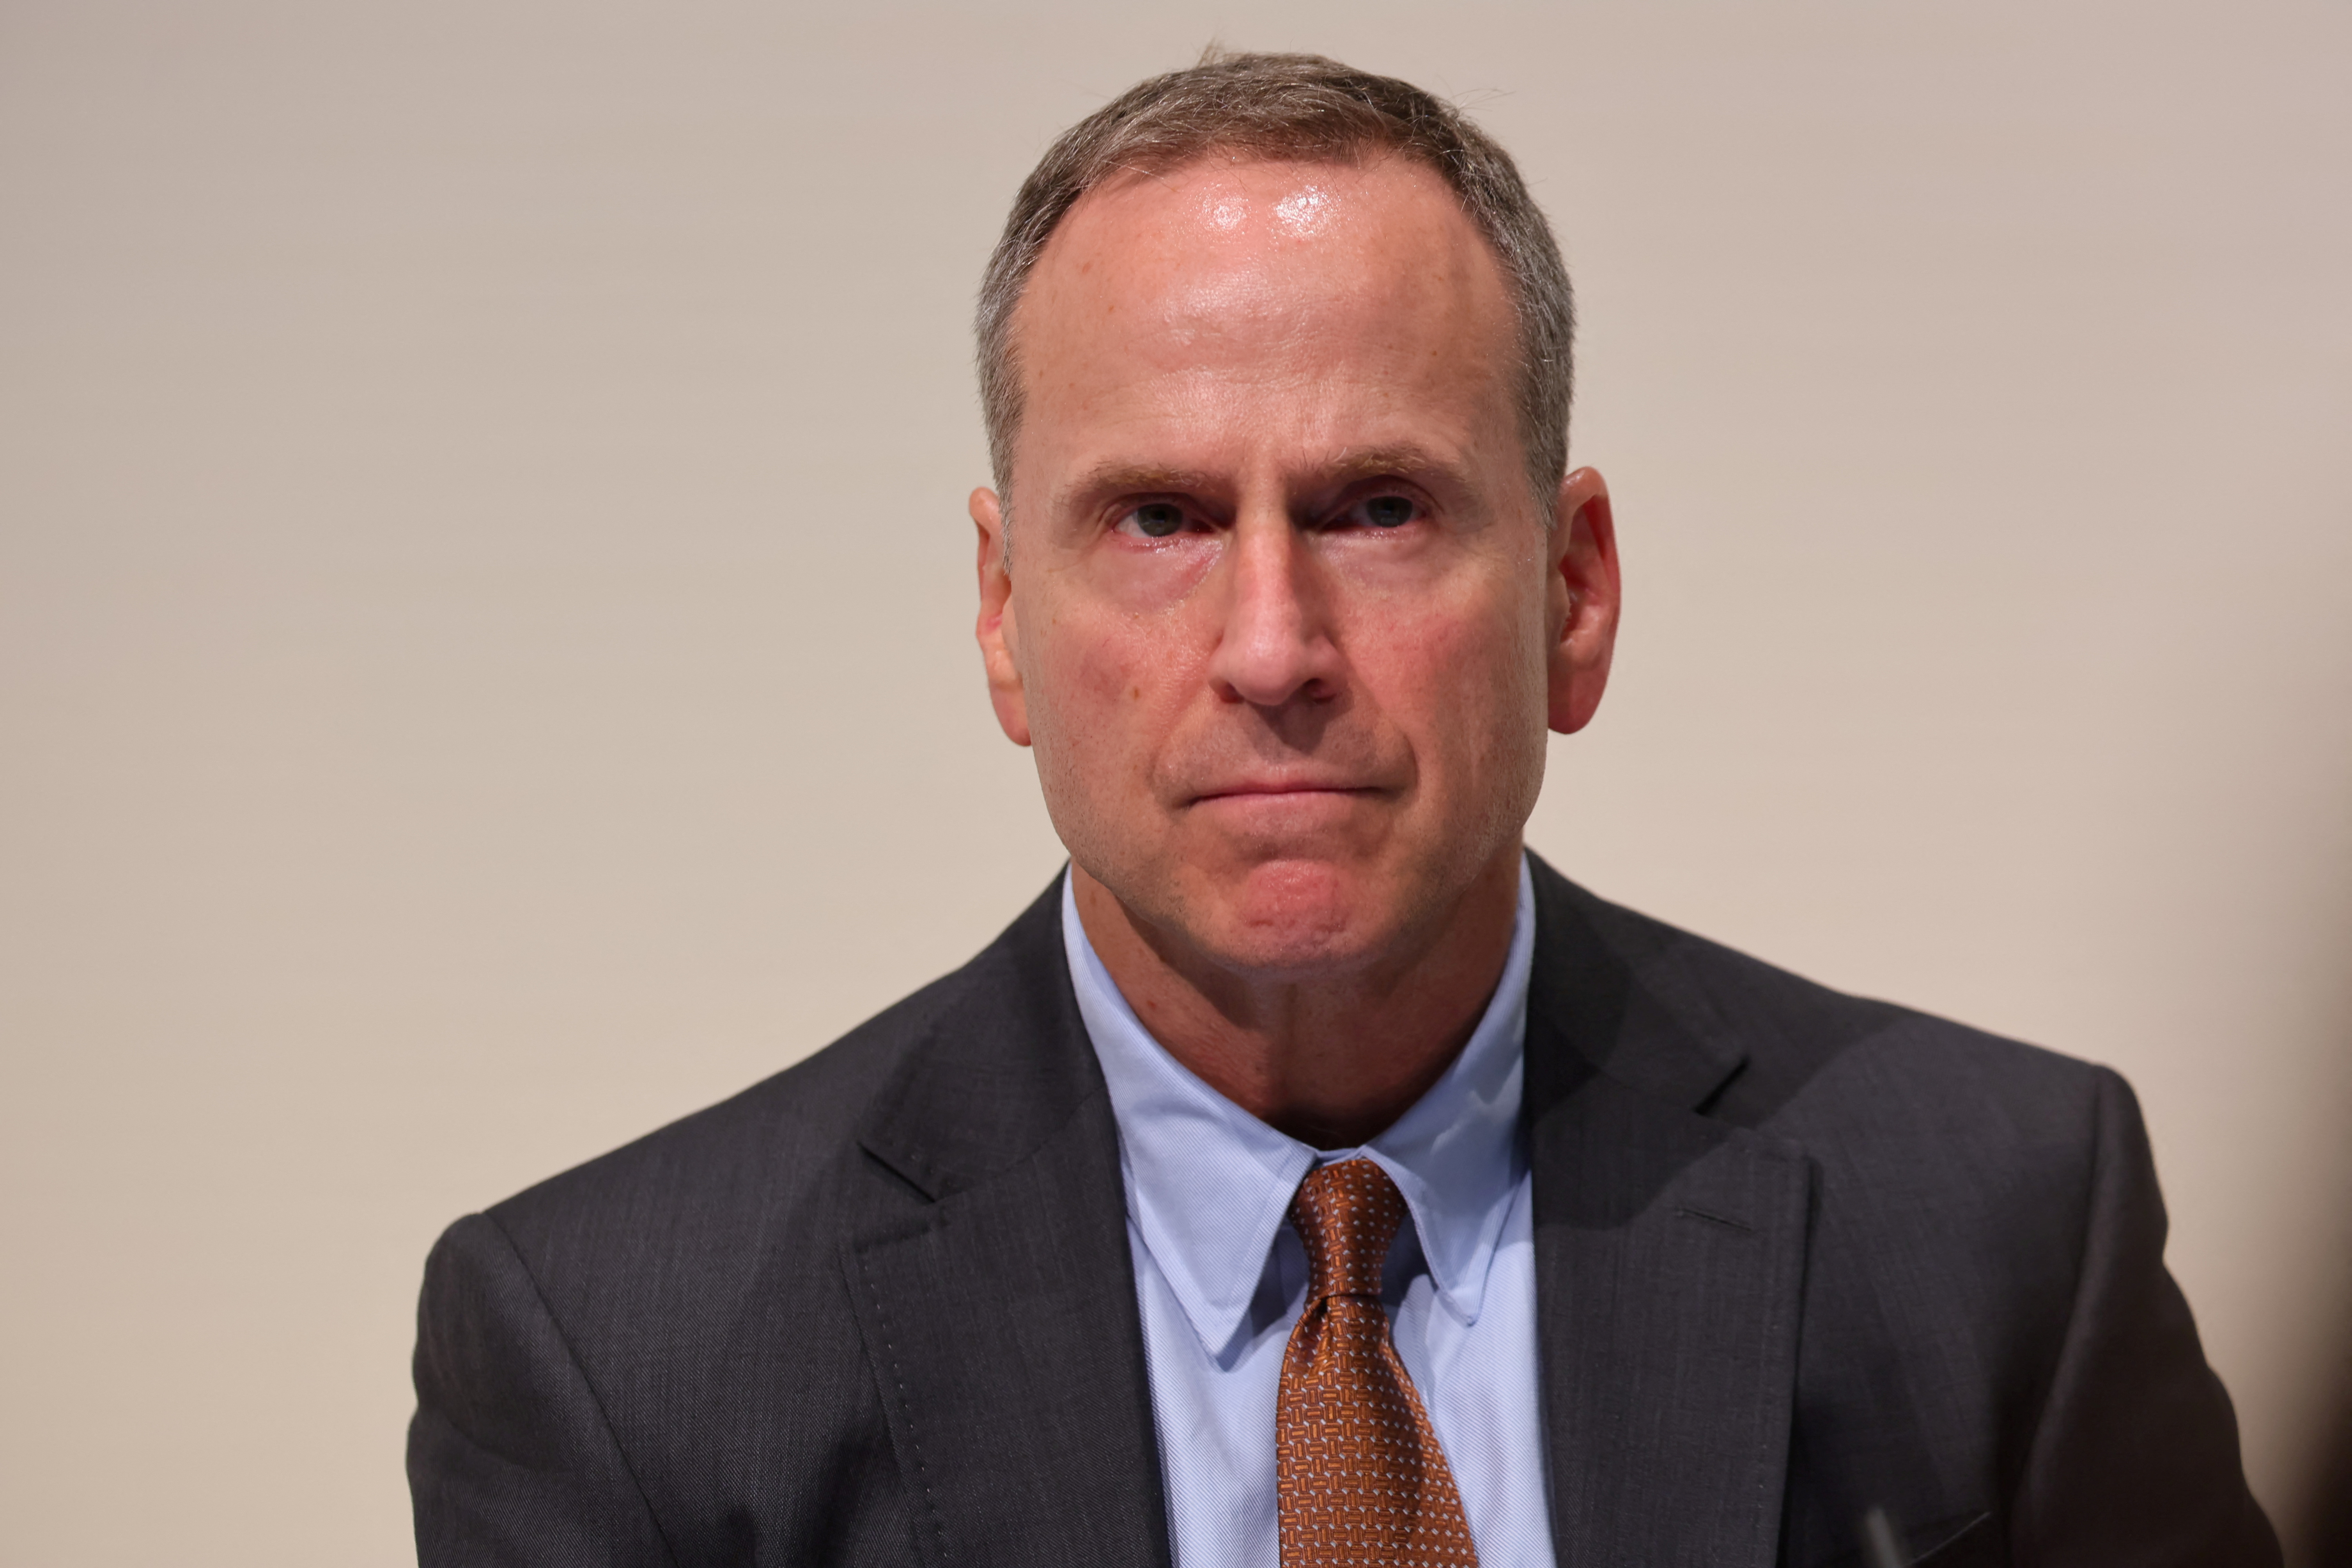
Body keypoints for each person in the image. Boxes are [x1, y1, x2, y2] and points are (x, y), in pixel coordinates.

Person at [407, 51, 2278, 1567]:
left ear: (1574, 587)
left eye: (1378, 506)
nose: (1274, 644)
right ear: (1001, 614)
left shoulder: (2001, 1226)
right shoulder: (618, 1364)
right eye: (1162, 519)